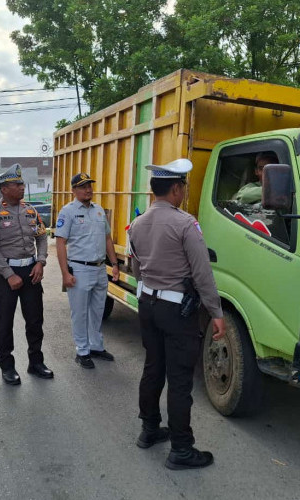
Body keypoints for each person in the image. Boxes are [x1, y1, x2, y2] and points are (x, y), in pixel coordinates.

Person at [127, 158, 226, 470]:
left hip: (148, 306)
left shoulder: (138, 224)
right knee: (180, 379)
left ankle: (149, 430)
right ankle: (182, 449)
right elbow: (202, 274)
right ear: (174, 188)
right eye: (183, 186)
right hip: (176, 311)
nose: (183, 191)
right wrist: (216, 313)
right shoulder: (186, 223)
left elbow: (135, 267)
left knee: (153, 368)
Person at [0, 164, 53, 385]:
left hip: (31, 271)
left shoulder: (30, 210)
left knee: (35, 320)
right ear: (4, 189)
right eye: (17, 184)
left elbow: (41, 236)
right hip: (5, 275)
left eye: (22, 184)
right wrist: (9, 274)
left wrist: (40, 262)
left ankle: (36, 362)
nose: (22, 187)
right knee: (4, 322)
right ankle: (7, 366)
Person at [55, 172, 119, 369]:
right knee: (80, 312)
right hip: (80, 269)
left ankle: (96, 346)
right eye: (83, 186)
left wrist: (115, 264)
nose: (88, 189)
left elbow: (107, 239)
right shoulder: (68, 212)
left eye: (89, 185)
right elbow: (60, 242)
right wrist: (65, 273)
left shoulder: (99, 211)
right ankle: (82, 351)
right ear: (74, 190)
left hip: (100, 269)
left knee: (97, 311)